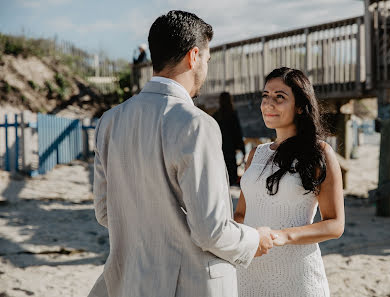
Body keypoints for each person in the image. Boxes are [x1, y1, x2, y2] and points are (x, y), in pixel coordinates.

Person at [88, 10, 275, 297]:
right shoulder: (196, 124)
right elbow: (210, 231)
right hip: (190, 286)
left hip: (128, 282)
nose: (206, 69)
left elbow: (105, 211)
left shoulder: (110, 121)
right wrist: (254, 239)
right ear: (193, 56)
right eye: (208, 60)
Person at [235, 67, 345, 296]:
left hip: (297, 276)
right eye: (265, 96)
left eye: (279, 97)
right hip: (249, 273)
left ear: (300, 107)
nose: (268, 104)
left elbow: (335, 224)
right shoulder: (256, 154)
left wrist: (284, 236)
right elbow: (241, 215)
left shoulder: (319, 153)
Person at [213, 92, 246, 185]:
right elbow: (237, 133)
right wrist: (243, 150)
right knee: (231, 177)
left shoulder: (216, 116)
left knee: (221, 176)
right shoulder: (232, 115)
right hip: (230, 150)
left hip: (219, 150)